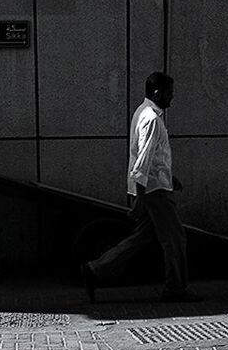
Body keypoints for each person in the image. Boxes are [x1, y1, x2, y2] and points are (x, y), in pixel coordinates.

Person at [80, 72, 202, 303]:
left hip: (154, 187)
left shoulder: (143, 113)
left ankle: (95, 269)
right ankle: (175, 288)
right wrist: (141, 198)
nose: (172, 98)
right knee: (175, 239)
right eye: (169, 93)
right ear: (158, 93)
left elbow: (150, 158)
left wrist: (168, 177)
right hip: (155, 193)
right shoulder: (153, 119)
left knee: (142, 238)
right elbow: (143, 161)